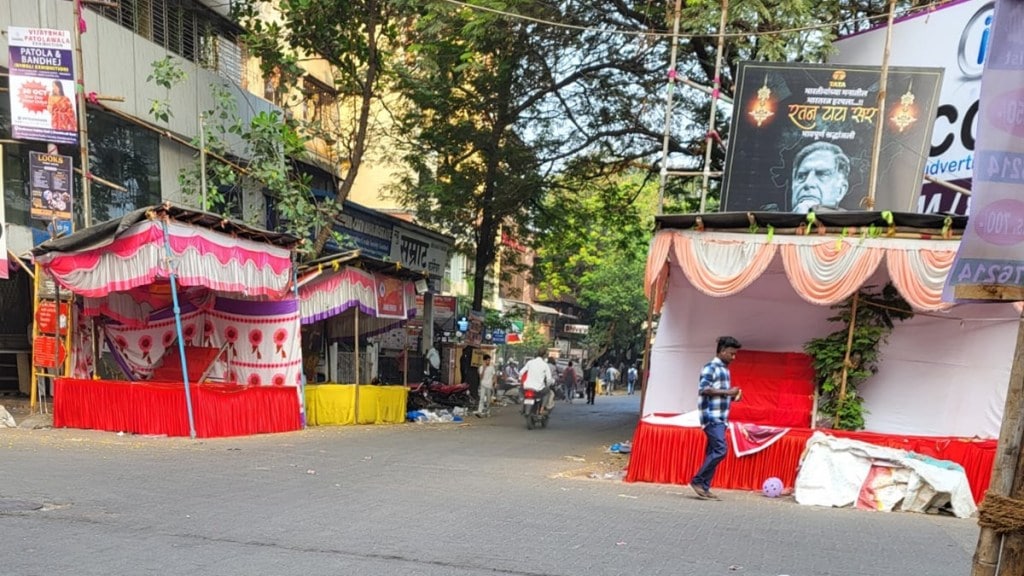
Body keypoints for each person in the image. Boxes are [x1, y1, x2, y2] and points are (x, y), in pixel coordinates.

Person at [690, 336, 744, 500]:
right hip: (711, 417)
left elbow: (717, 393)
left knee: (713, 451)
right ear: (721, 351)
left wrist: (733, 397)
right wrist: (729, 392)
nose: (733, 357)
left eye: (735, 354)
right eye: (731, 354)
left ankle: (704, 487)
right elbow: (704, 389)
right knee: (721, 450)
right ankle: (697, 480)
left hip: (721, 417)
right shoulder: (710, 367)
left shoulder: (725, 369)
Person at [790, 141, 851, 214]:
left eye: (822, 174)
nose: (808, 183)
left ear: (840, 191)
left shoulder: (858, 224)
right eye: (802, 176)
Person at [519, 347, 555, 414]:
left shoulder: (530, 362)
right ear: (545, 355)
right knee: (547, 392)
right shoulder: (545, 365)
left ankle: (521, 404)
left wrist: (520, 380)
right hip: (538, 389)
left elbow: (521, 372)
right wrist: (550, 383)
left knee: (520, 390)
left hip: (527, 387)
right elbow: (549, 379)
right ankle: (542, 408)